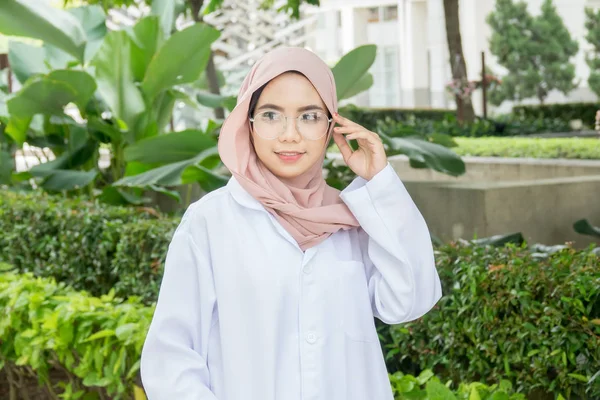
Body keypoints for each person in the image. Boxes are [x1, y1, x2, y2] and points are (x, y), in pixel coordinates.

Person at [140, 46, 442, 400]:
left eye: (309, 116)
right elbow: (171, 358)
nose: (289, 134)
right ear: (247, 123)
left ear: (332, 126)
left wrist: (381, 183)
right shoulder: (210, 222)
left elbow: (411, 299)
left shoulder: (355, 220)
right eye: (271, 115)